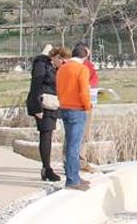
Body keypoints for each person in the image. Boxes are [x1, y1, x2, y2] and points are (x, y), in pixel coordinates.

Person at [26, 45, 69, 182]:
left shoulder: (54, 66)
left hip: (53, 104)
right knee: (46, 135)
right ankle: (46, 168)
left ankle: (47, 168)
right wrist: (37, 108)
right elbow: (36, 85)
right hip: (43, 104)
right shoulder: (41, 64)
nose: (63, 64)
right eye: (62, 61)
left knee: (48, 134)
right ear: (57, 56)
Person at [56, 45, 92, 191]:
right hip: (77, 109)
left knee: (69, 143)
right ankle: (72, 180)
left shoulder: (62, 68)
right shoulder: (82, 69)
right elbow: (84, 91)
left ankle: (74, 176)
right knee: (74, 146)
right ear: (85, 56)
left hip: (64, 107)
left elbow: (59, 89)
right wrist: (87, 106)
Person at [75, 42, 100, 173]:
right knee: (78, 133)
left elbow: (95, 80)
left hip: (88, 101)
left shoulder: (89, 66)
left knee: (84, 133)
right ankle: (77, 161)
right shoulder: (77, 66)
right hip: (80, 104)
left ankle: (80, 160)